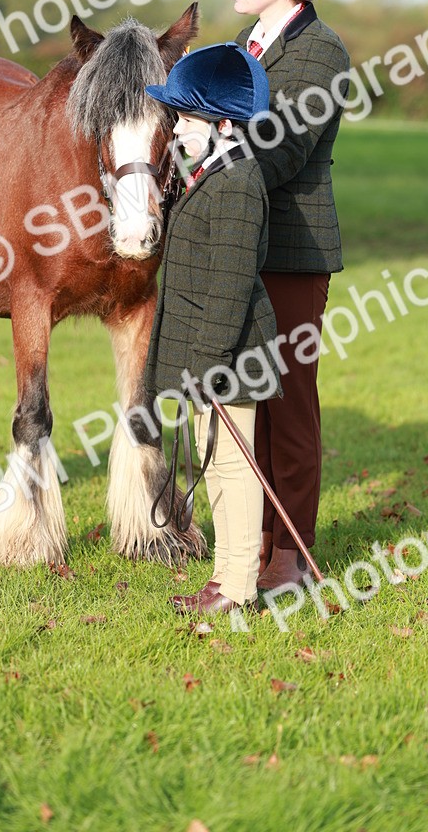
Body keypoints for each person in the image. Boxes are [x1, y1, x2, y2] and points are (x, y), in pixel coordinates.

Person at [205, 0, 349, 593]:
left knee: (288, 401)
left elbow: (284, 150)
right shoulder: (247, 43)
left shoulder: (321, 53)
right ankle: (251, 545)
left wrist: (206, 150)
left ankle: (290, 554)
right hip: (239, 241)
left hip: (291, 248)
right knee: (241, 397)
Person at [143, 43, 281, 615]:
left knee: (233, 466)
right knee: (215, 458)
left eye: (187, 116)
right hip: (212, 355)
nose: (176, 126)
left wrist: (205, 366)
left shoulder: (239, 183)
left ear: (224, 124)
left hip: (232, 353)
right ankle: (225, 577)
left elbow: (229, 283)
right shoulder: (208, 173)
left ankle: (238, 585)